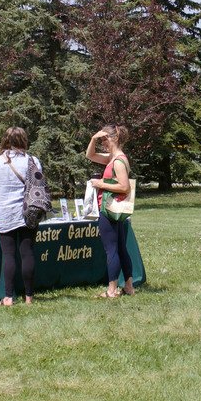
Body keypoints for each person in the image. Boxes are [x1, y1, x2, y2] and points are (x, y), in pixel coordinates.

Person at [0, 127, 38, 306]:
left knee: (9, 255)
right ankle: (29, 297)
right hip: (29, 213)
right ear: (24, 140)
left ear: (5, 140)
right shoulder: (33, 161)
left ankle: (8, 297)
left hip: (5, 214)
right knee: (27, 253)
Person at [86, 125, 135, 298]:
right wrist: (93, 138)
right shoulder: (112, 158)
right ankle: (128, 287)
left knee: (111, 250)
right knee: (120, 248)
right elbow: (90, 155)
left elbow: (125, 187)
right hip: (114, 209)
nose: (103, 143)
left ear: (114, 138)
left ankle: (112, 290)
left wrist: (101, 184)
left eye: (104, 140)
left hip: (109, 210)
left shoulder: (118, 161)